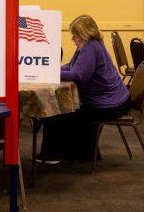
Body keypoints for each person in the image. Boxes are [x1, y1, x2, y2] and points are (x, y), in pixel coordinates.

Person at [37, 15, 130, 163]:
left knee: (55, 111)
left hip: (108, 104)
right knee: (66, 109)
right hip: (117, 99)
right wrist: (52, 69)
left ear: (85, 34)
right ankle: (79, 153)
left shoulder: (90, 47)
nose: (73, 38)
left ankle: (53, 155)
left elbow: (79, 75)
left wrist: (50, 73)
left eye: (75, 35)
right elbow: (71, 66)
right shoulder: (91, 45)